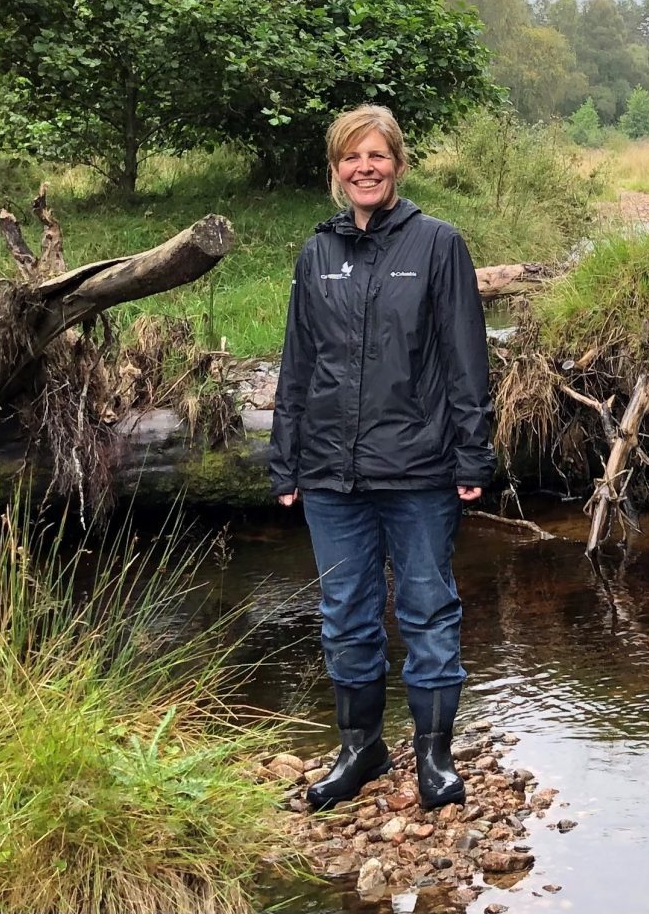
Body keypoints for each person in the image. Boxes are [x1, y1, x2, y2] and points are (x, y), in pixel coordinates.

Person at [269, 104, 495, 812]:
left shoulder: (438, 245)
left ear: (397, 164)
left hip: (421, 470)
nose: (364, 167)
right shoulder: (316, 255)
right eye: (350, 157)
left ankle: (434, 758)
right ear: (337, 170)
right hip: (331, 475)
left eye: (377, 155)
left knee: (428, 609)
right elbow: (297, 364)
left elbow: (466, 361)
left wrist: (472, 457)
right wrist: (287, 462)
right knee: (345, 613)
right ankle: (360, 749)